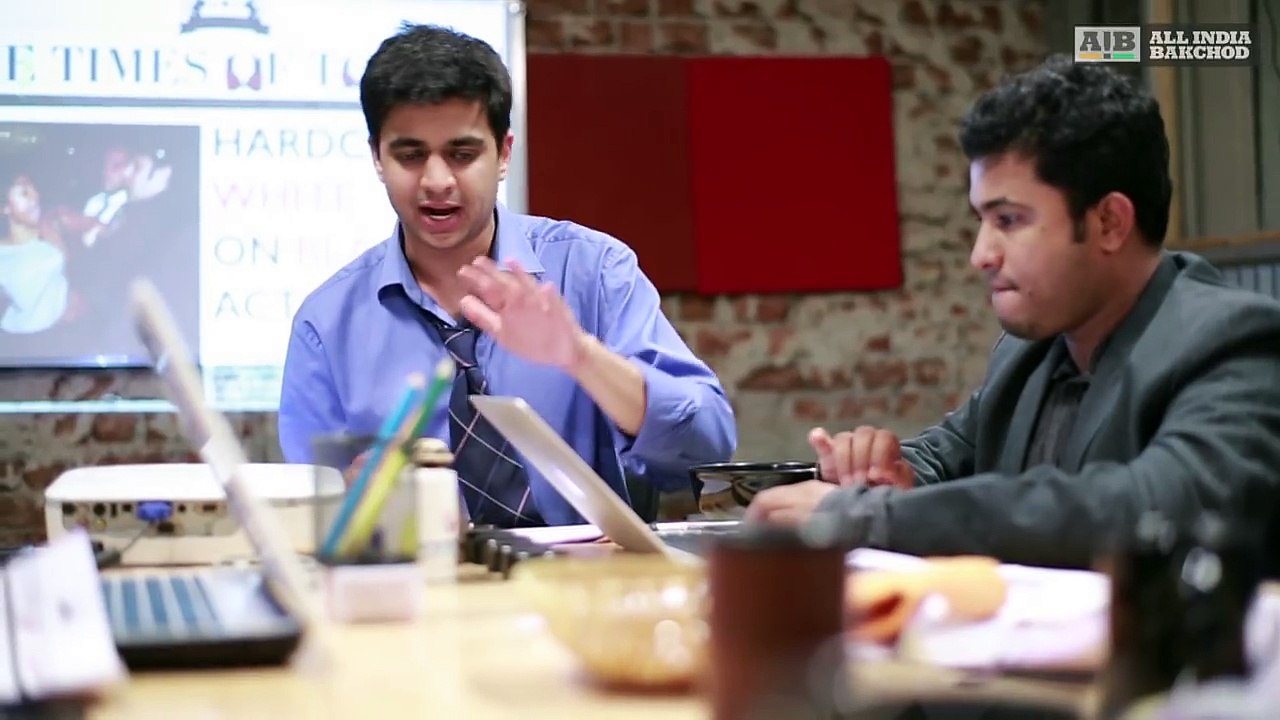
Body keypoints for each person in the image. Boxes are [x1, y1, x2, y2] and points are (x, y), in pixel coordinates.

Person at [746, 54, 1280, 569]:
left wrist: (868, 517)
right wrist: (880, 471)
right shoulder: (1031, 349)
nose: (981, 255)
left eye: (1009, 220)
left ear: (1109, 223)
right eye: (981, 221)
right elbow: (944, 458)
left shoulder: (1233, 340)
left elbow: (1157, 504)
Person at [278, 23, 736, 528]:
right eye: (410, 156)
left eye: (462, 154)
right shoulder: (327, 325)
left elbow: (707, 446)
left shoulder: (593, 271)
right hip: (419, 573)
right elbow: (309, 519)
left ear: (504, 154)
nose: (436, 181)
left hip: (587, 572)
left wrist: (580, 356)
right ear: (377, 158)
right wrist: (346, 504)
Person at [0, 175, 69, 334]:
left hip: (65, 330)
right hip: (22, 339)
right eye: (24, 193)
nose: (35, 197)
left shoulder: (50, 229)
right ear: (5, 207)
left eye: (34, 190)